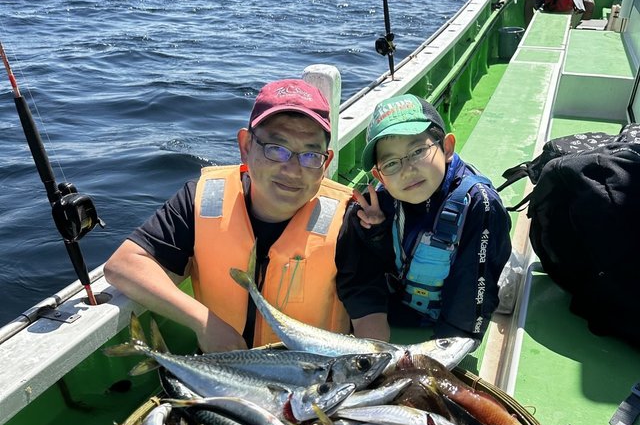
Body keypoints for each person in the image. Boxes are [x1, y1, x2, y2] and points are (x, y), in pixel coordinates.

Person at [104, 79, 353, 351]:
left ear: (326, 163)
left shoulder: (349, 218)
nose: (293, 170)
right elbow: (122, 265)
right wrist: (204, 322)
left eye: (310, 155)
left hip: (318, 381)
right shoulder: (203, 199)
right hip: (221, 371)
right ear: (245, 146)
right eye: (276, 149)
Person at [335, 94, 512, 342]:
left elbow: (469, 303)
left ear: (447, 147)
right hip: (402, 311)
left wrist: (442, 358)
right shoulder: (375, 206)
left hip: (451, 319)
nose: (408, 170)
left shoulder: (479, 205)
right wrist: (375, 235)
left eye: (418, 151)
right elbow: (360, 280)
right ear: (380, 175)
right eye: (391, 163)